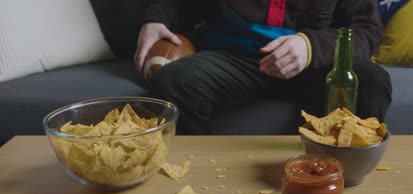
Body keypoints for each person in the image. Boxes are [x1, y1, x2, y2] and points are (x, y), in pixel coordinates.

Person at [134, 0, 392, 134]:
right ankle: (200, 178)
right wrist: (155, 19)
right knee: (174, 81)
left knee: (369, 81)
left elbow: (366, 32)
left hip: (316, 66)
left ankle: (337, 178)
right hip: (234, 60)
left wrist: (310, 46)